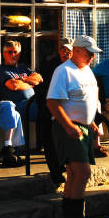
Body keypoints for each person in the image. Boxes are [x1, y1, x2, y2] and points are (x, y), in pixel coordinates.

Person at [46, 35, 102, 218]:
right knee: (83, 172)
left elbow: (85, 99)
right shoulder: (63, 71)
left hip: (83, 127)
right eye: (89, 53)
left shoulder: (86, 70)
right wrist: (69, 126)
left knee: (73, 173)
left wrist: (92, 122)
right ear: (77, 50)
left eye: (94, 54)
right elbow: (52, 102)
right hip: (68, 128)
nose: (92, 58)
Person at [37, 37, 74, 185]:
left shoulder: (76, 66)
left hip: (70, 109)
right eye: (62, 50)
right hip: (50, 107)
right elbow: (42, 88)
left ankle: (64, 167)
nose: (65, 53)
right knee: (50, 141)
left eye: (68, 50)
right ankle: (56, 173)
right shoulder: (49, 66)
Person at [0, 40, 43, 118]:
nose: (13, 55)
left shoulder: (23, 67)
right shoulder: (0, 69)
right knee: (44, 108)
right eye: (10, 52)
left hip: (32, 102)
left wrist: (23, 79)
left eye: (16, 52)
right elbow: (14, 85)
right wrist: (31, 83)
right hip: (16, 106)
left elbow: (39, 78)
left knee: (51, 102)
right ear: (4, 54)